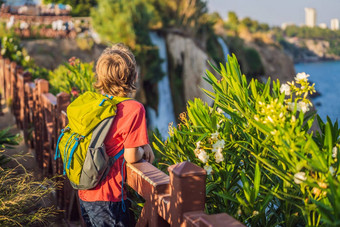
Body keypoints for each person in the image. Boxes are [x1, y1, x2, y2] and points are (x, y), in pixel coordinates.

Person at [78, 43, 155, 227]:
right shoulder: (134, 109)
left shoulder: (95, 103)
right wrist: (143, 149)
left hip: (85, 192)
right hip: (110, 197)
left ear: (101, 77)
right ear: (134, 76)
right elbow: (130, 156)